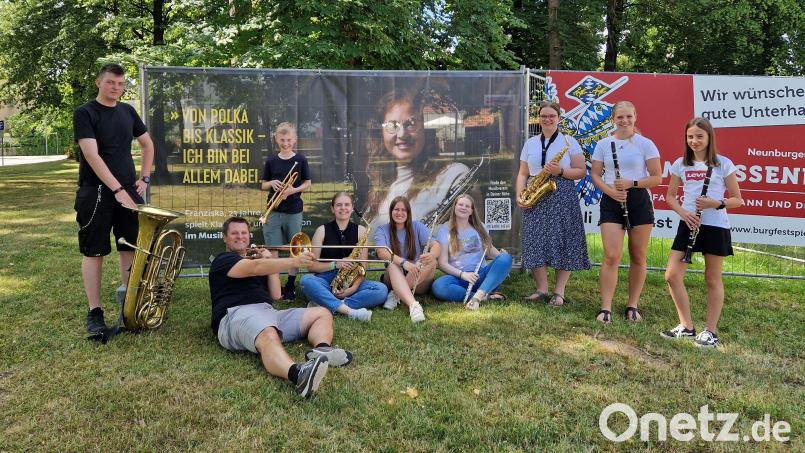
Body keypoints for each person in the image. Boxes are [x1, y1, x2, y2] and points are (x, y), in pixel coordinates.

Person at [209, 217, 353, 399]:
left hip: (267, 312)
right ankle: (298, 375)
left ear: (249, 235)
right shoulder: (224, 260)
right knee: (269, 334)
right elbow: (254, 267)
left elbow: (276, 294)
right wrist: (292, 262)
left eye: (244, 232)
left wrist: (270, 263)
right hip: (235, 315)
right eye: (234, 233)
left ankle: (322, 350)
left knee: (321, 313)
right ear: (225, 238)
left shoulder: (259, 261)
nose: (240, 237)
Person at [74, 63, 154, 334]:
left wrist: (143, 178)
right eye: (111, 83)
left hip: (128, 192)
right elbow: (91, 155)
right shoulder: (85, 113)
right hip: (95, 191)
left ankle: (131, 307)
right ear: (99, 82)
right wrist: (118, 190)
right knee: (94, 251)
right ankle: (95, 312)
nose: (116, 88)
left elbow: (147, 144)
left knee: (129, 247)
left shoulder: (128, 111)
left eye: (120, 84)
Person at [661, 117, 743, 348]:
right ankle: (686, 327)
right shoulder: (680, 163)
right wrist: (683, 213)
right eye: (690, 136)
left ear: (709, 138)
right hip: (689, 223)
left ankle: (711, 331)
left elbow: (738, 200)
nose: (694, 141)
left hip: (715, 225)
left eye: (699, 136)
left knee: (712, 278)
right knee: (672, 275)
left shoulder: (723, 164)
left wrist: (715, 203)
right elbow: (669, 196)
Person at [591, 100, 661, 323]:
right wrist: (610, 192)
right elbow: (594, 175)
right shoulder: (603, 144)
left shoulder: (645, 144)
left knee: (638, 256)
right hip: (612, 201)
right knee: (611, 255)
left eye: (628, 116)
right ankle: (606, 308)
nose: (624, 121)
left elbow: (657, 177)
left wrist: (632, 183)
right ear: (613, 119)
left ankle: (632, 305)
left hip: (638, 200)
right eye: (620, 117)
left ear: (635, 116)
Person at [516, 101, 591, 306]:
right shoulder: (530, 143)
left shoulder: (569, 141)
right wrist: (520, 195)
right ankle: (541, 289)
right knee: (535, 239)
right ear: (538, 119)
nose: (547, 119)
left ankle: (559, 292)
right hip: (535, 192)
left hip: (561, 192)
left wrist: (561, 172)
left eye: (552, 116)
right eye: (543, 116)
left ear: (559, 118)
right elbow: (523, 173)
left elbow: (582, 171)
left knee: (564, 240)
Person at [365, 88, 470, 230]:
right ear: (382, 133)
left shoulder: (454, 175)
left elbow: (469, 237)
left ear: (425, 129)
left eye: (411, 123)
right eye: (393, 125)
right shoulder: (383, 184)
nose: (402, 134)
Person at [300, 192, 388, 321]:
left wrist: (353, 288)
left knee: (381, 290)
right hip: (325, 279)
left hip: (351, 280)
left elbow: (363, 267)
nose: (343, 208)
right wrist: (335, 264)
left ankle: (328, 304)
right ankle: (346, 309)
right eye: (339, 205)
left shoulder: (361, 231)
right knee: (306, 280)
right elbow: (311, 266)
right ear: (332, 208)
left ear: (352, 208)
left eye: (347, 205)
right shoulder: (321, 230)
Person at [432, 194, 513, 310]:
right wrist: (463, 275)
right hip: (458, 277)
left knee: (505, 258)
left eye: (467, 206)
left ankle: (478, 296)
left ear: (471, 211)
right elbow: (442, 263)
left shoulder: (481, 228)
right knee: (438, 286)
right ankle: (484, 297)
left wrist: (502, 264)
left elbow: (489, 251)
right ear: (454, 207)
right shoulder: (445, 231)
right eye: (460, 204)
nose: (463, 207)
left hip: (480, 276)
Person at [260, 122, 311, 301]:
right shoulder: (271, 160)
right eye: (282, 140)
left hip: (293, 211)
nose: (286, 143)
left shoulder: (301, 160)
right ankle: (275, 285)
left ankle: (290, 284)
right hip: (273, 210)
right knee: (272, 249)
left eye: (289, 139)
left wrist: (293, 190)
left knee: (294, 249)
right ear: (276, 139)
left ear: (294, 139)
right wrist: (271, 184)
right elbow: (263, 184)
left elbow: (307, 183)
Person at [373, 196, 440, 323]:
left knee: (432, 261)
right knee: (392, 264)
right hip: (393, 276)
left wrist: (431, 255)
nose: (400, 213)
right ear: (391, 211)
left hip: (417, 279)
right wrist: (404, 263)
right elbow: (381, 252)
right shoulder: (382, 229)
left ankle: (396, 293)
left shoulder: (417, 226)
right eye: (396, 209)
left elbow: (436, 245)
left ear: (408, 213)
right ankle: (413, 305)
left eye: (404, 210)